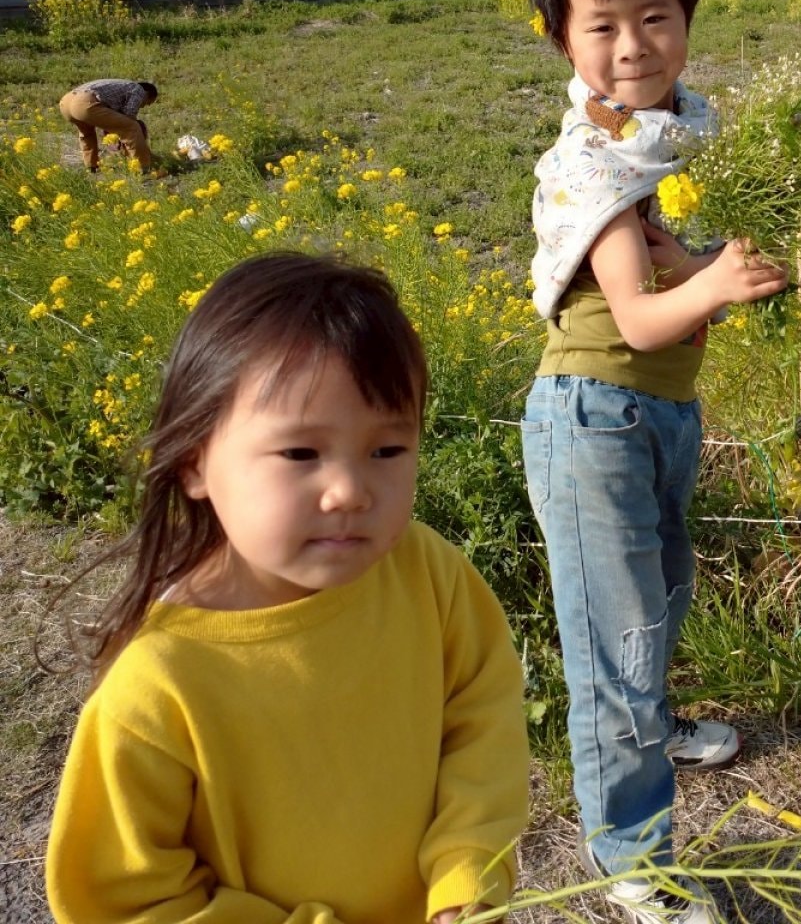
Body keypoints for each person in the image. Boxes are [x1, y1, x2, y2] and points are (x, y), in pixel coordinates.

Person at [46, 252, 530, 924]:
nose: (350, 492)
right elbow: (125, 900)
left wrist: (466, 874)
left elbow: (484, 721)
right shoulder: (158, 686)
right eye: (301, 454)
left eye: (387, 451)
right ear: (194, 463)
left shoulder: (426, 571)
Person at [520, 0, 787, 924]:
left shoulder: (658, 140)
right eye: (602, 24)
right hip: (594, 417)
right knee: (615, 642)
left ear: (688, 13)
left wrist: (721, 265)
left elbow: (675, 267)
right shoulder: (597, 164)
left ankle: (652, 723)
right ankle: (631, 858)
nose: (634, 44)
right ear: (562, 39)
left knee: (661, 596)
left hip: (653, 417)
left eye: (656, 15)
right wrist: (714, 284)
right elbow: (637, 316)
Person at [57, 78, 158, 173]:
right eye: (148, 102)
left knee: (86, 133)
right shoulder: (139, 89)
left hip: (66, 103)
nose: (145, 106)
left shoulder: (121, 86)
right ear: (148, 94)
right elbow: (129, 114)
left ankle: (91, 166)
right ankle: (143, 168)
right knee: (132, 127)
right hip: (84, 101)